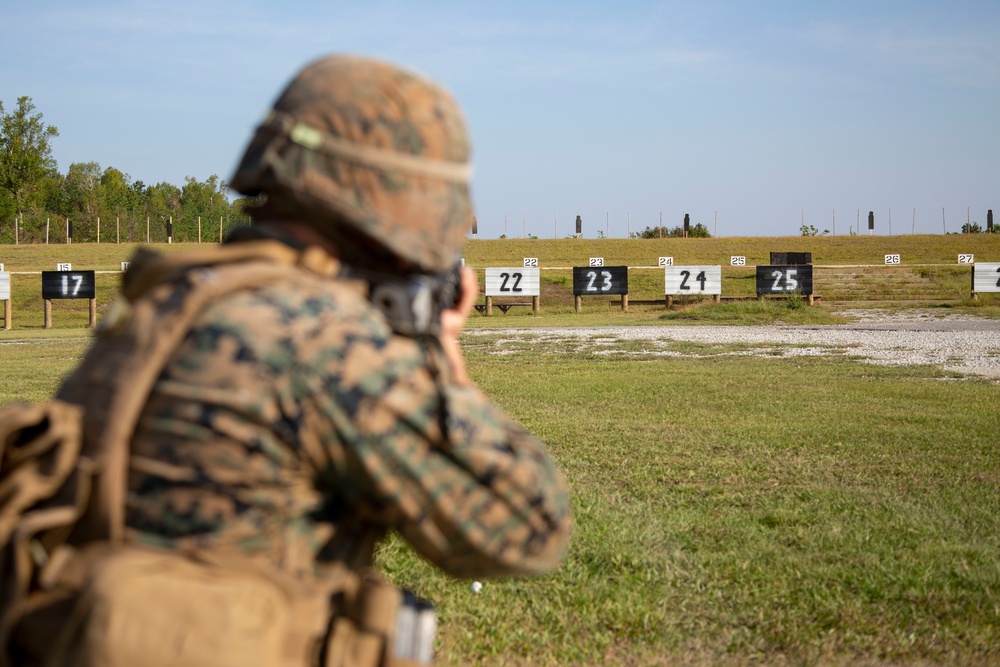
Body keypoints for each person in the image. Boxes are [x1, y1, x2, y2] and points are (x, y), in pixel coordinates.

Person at [22, 55, 571, 666]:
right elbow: (527, 525)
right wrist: (442, 356)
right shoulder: (319, 339)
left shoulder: (166, 299)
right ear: (398, 198)